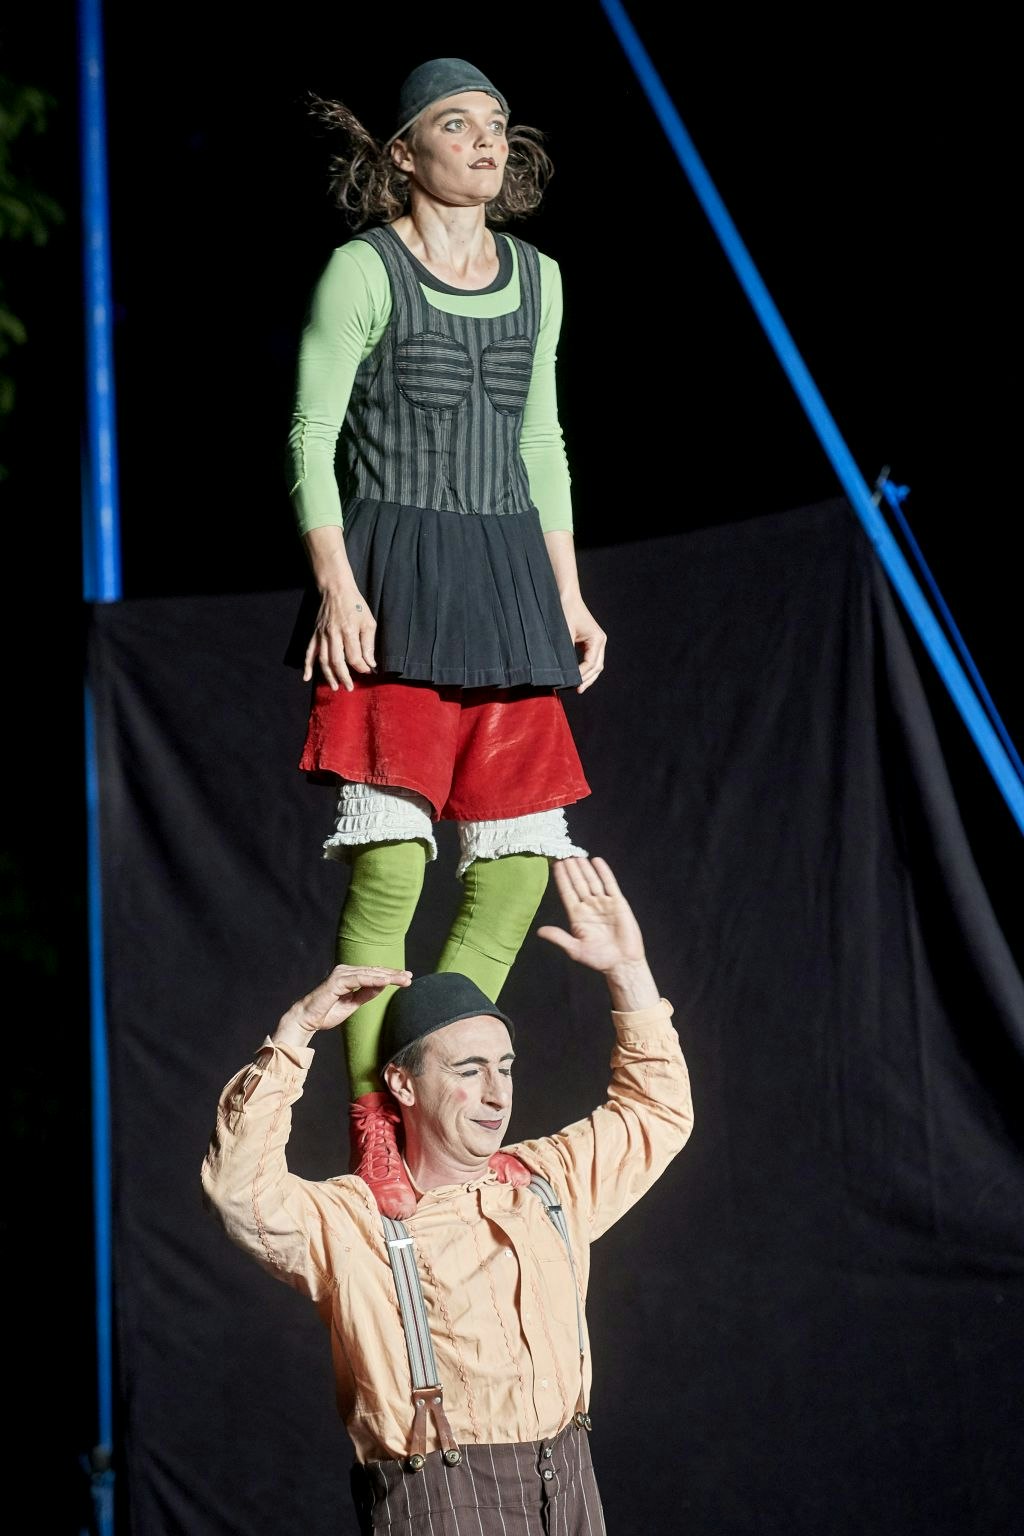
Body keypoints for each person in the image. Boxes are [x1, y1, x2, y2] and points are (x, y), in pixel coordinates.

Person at [284, 56, 607, 1218]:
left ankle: (441, 1097)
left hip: (506, 583)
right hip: (398, 583)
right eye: (457, 124)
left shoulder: (538, 279)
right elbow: (311, 431)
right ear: (404, 152)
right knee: (393, 866)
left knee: (516, 871)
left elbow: (541, 443)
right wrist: (336, 585)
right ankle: (376, 1125)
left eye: (497, 125)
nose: (484, 141)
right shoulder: (364, 271)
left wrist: (568, 595)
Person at [202, 856, 693, 1534]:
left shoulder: (549, 1182)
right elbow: (238, 1193)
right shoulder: (356, 1222)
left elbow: (658, 1111)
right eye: (469, 1070)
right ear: (404, 1085)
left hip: (574, 1488)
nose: (497, 1094)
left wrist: (628, 971)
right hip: (442, 1505)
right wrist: (294, 1036)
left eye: (505, 1068)